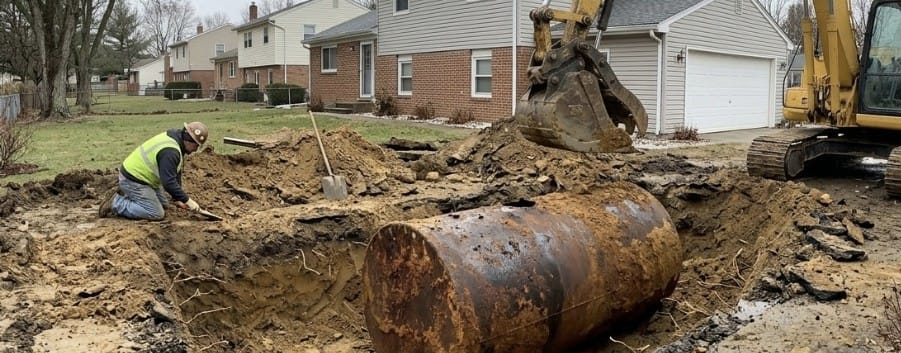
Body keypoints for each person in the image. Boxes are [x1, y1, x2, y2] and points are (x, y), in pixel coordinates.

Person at [99, 122, 209, 220]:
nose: (196, 150)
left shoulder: (176, 140)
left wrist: (177, 199)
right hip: (133, 179)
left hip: (145, 179)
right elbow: (169, 183)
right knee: (156, 213)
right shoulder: (171, 152)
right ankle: (116, 203)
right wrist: (188, 201)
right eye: (196, 145)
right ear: (189, 140)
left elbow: (176, 172)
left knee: (164, 205)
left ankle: (131, 196)